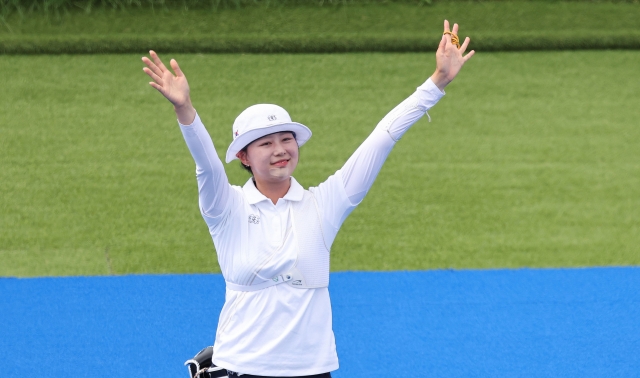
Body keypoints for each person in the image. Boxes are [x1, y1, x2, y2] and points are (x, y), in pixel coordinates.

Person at [142, 20, 474, 378]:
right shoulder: (226, 207)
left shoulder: (324, 204)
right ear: (244, 157)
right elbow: (206, 163)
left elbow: (382, 138)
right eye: (265, 143)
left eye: (286, 139)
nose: (280, 150)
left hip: (313, 370)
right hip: (241, 367)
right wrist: (185, 110)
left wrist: (437, 82)